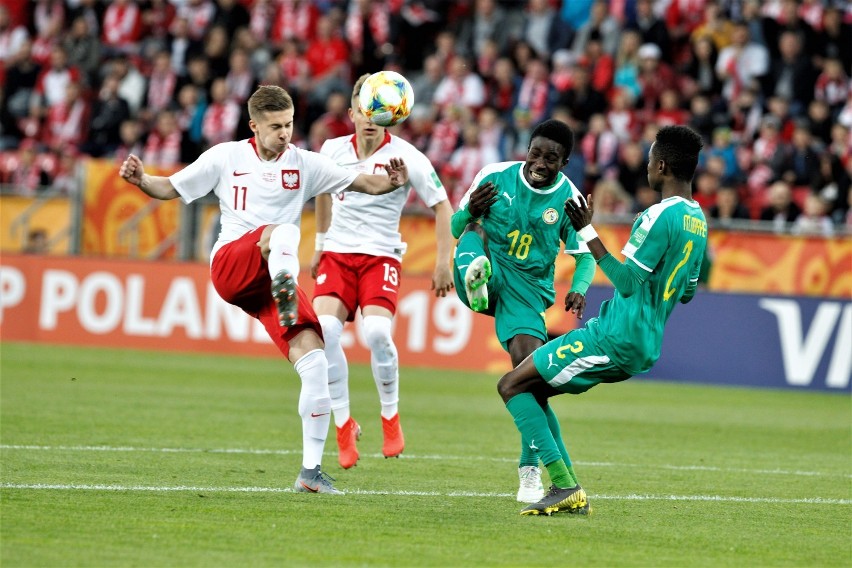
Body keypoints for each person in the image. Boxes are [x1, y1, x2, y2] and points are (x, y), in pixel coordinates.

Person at [118, 85, 410, 495]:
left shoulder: (306, 164)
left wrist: (392, 182)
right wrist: (140, 179)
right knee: (284, 231)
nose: (285, 134)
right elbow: (170, 188)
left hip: (269, 284)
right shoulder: (225, 156)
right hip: (232, 266)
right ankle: (285, 283)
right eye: (275, 126)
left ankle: (310, 474)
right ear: (254, 125)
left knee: (316, 361)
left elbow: (365, 183)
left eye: (289, 124)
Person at [496, 125, 707, 516]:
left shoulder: (659, 215)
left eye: (648, 160)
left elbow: (627, 281)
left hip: (616, 337)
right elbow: (689, 291)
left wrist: (586, 229)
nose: (646, 166)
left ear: (661, 166)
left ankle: (563, 485)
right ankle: (561, 486)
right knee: (531, 387)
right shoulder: (698, 220)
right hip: (642, 337)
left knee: (511, 385)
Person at [310, 73, 454, 469]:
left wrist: (444, 261)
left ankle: (390, 416)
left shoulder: (407, 156)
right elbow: (322, 192)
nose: (370, 117)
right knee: (326, 333)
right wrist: (321, 245)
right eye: (364, 108)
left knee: (376, 333)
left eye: (379, 110)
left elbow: (443, 206)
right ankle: (344, 425)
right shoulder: (331, 149)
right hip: (338, 254)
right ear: (353, 111)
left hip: (380, 256)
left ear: (393, 114)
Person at [450, 119, 596, 504]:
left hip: (527, 292)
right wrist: (468, 213)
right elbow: (455, 226)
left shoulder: (570, 201)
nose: (540, 163)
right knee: (474, 232)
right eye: (536, 153)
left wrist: (579, 290)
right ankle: (475, 281)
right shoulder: (495, 176)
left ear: (564, 162)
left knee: (529, 380)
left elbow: (584, 259)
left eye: (551, 158)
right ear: (526, 149)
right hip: (485, 265)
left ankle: (534, 469)